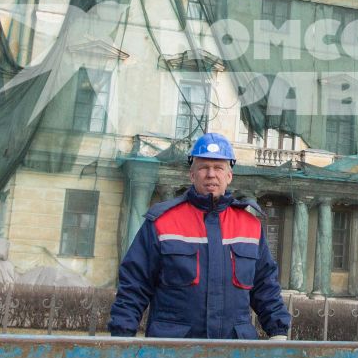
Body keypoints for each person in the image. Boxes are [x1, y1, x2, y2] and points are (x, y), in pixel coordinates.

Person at [108, 132, 293, 340]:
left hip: (233, 353)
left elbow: (265, 286)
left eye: (218, 168)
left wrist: (278, 332)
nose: (211, 174)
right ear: (192, 175)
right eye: (204, 167)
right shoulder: (161, 222)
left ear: (229, 176)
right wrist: (121, 336)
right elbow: (134, 284)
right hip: (173, 351)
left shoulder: (249, 226)